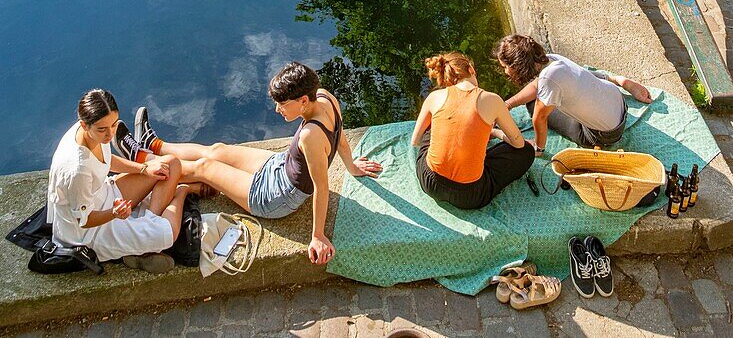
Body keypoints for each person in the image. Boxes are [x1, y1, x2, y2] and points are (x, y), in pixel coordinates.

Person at [124, 63, 382, 266]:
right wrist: (351, 166)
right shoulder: (325, 97)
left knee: (205, 168)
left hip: (274, 197)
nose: (278, 110)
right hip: (279, 166)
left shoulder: (310, 136)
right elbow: (341, 137)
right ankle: (154, 145)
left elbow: (321, 188)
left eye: (282, 104)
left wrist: (318, 235)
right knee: (219, 151)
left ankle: (144, 162)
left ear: (303, 100)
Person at [47, 89, 191, 273]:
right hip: (89, 233)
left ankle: (144, 230)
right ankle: (181, 192)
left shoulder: (89, 131)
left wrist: (144, 169)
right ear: (84, 125)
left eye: (114, 125)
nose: (109, 134)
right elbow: (84, 221)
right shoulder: (78, 170)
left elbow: (107, 160)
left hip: (104, 195)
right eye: (103, 129)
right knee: (167, 233)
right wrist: (114, 213)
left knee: (170, 164)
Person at [411, 52, 534, 210]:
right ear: (471, 69)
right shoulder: (493, 100)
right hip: (470, 196)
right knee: (526, 151)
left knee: (432, 124)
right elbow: (518, 144)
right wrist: (494, 132)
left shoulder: (435, 96)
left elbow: (415, 140)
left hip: (429, 182)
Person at [495, 35, 652, 152]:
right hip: (619, 103)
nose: (505, 71)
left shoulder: (549, 81)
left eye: (505, 67)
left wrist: (539, 147)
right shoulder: (551, 59)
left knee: (532, 105)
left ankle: (539, 148)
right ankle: (618, 80)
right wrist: (508, 104)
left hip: (605, 135)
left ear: (517, 65)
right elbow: (538, 85)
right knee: (575, 81)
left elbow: (539, 117)